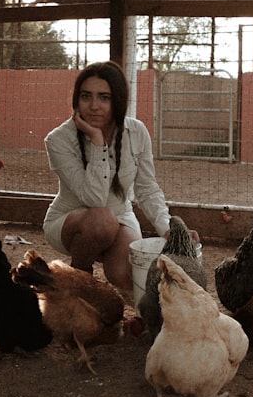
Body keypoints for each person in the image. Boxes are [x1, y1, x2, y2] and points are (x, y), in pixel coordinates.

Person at [44, 61, 189, 297]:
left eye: (104, 98)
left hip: (120, 216)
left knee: (126, 273)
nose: (94, 106)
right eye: (86, 96)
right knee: (102, 220)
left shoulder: (136, 132)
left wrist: (167, 229)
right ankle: (80, 275)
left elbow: (147, 189)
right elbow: (94, 199)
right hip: (70, 221)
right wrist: (97, 142)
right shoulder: (58, 139)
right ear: (76, 100)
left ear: (117, 101)